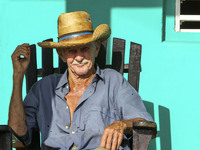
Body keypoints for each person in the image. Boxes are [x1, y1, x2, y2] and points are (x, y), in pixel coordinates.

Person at [8, 11, 153, 150]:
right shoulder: (43, 88)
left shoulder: (113, 82)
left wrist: (122, 124)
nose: (79, 57)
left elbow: (146, 125)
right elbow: (19, 134)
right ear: (62, 55)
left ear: (96, 49)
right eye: (72, 50)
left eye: (84, 49)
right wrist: (18, 76)